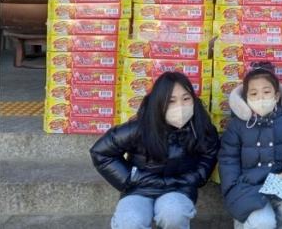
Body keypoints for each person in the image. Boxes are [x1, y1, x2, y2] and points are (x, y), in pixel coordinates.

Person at [90, 72, 219, 229]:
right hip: (139, 188)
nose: (180, 106)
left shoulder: (200, 127)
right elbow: (101, 152)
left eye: (186, 99)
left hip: (178, 188)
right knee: (130, 221)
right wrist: (130, 178)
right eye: (171, 101)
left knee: (173, 214)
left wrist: (194, 177)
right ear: (158, 102)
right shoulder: (139, 127)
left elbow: (209, 154)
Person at [218, 62, 282, 229]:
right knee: (263, 223)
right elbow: (228, 159)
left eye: (266, 92)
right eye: (253, 93)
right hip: (246, 186)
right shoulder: (237, 125)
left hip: (277, 181)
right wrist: (232, 189)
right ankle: (245, 221)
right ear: (246, 97)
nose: (260, 98)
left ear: (276, 96)